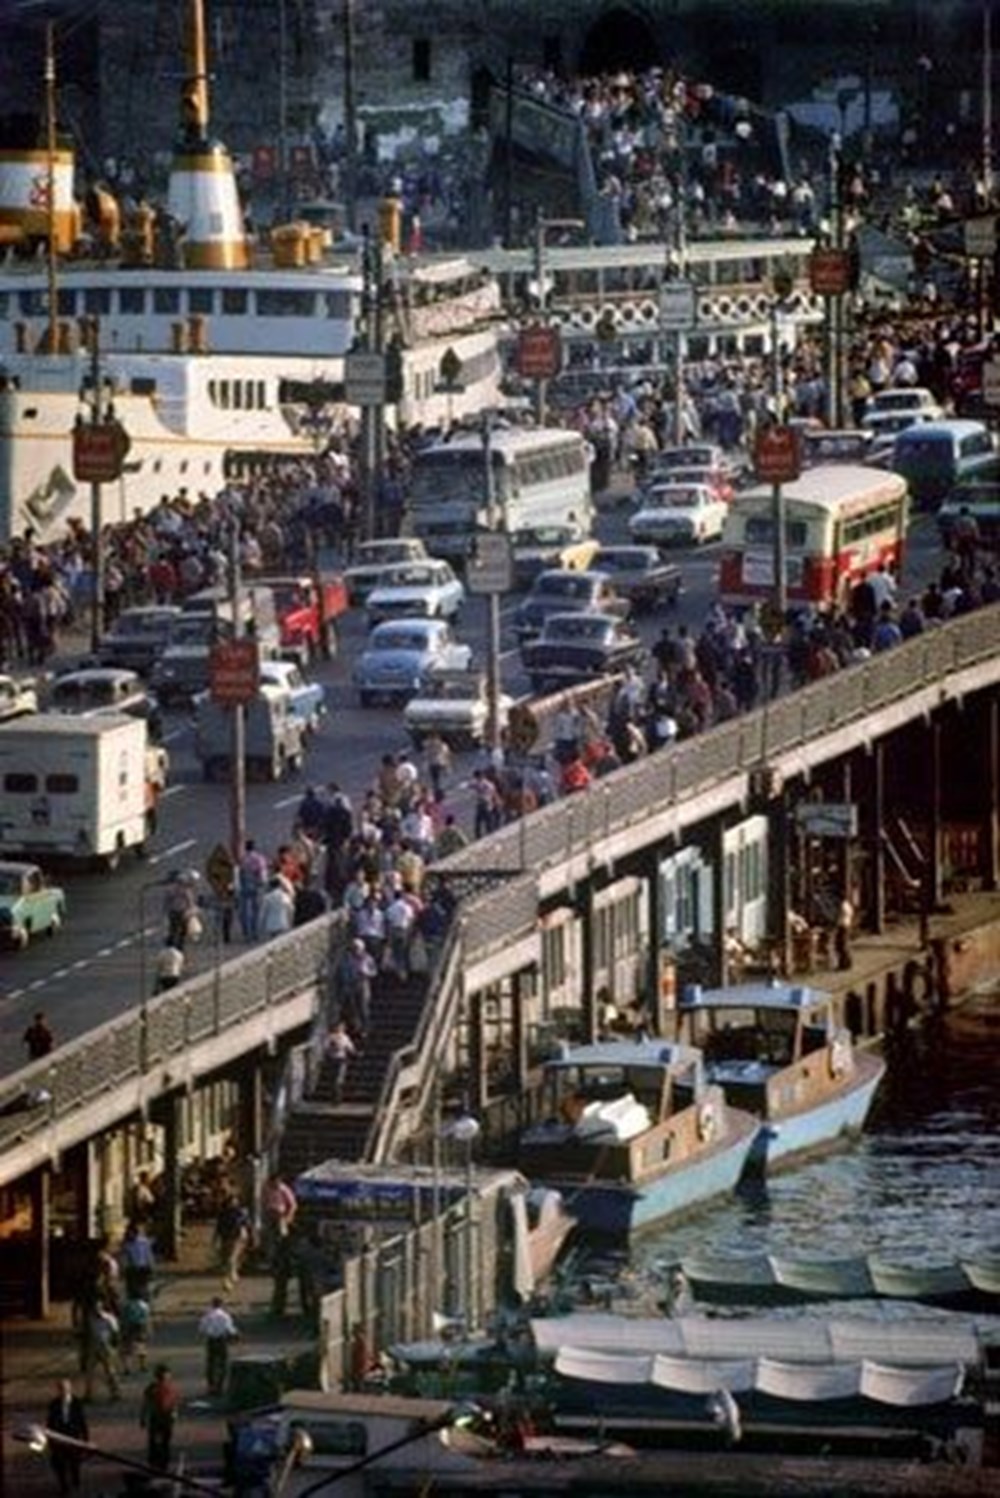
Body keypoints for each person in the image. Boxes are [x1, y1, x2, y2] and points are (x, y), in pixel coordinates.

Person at [46, 1377, 89, 1494]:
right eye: (61, 1389)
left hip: (73, 1438)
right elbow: (49, 1423)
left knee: (74, 1463)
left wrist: (85, 1439)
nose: (64, 1391)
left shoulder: (77, 1403)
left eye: (66, 1388)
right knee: (59, 1464)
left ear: (70, 1389)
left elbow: (82, 1422)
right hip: (59, 1439)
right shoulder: (54, 1404)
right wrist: (49, 1439)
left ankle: (75, 1481)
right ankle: (64, 1486)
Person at [140, 1364, 179, 1471]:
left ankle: (163, 1464)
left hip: (167, 1418)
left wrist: (175, 1413)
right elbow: (145, 1404)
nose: (164, 1379)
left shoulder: (171, 1388)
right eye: (162, 1377)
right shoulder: (152, 1389)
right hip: (155, 1418)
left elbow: (174, 1402)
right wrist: (143, 1418)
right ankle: (153, 1462)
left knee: (165, 1441)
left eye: (166, 1377)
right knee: (154, 1441)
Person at [197, 1295, 239, 1396]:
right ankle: (220, 1386)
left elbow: (201, 1329)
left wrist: (202, 1336)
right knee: (223, 1364)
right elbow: (230, 1329)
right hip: (221, 1341)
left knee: (211, 1364)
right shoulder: (225, 1316)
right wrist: (236, 1335)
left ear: (212, 1304)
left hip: (211, 1341)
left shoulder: (207, 1315)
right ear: (221, 1304)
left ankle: (211, 1386)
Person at [214, 1191, 252, 1290]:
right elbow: (218, 1226)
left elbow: (246, 1224)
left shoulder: (241, 1212)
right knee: (228, 1259)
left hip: (238, 1237)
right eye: (231, 1201)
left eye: (235, 1201)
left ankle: (228, 1279)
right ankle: (233, 1274)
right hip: (226, 1237)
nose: (233, 1203)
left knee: (231, 1258)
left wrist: (250, 1235)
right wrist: (216, 1238)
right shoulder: (223, 1213)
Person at [326, 1020, 357, 1103]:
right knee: (333, 1079)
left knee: (338, 1080)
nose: (340, 1029)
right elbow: (327, 1047)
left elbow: (350, 1047)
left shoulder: (345, 1037)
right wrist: (333, 1046)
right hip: (332, 1059)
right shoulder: (331, 1037)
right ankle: (334, 1097)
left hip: (341, 1059)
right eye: (339, 1027)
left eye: (342, 1027)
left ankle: (337, 1098)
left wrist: (353, 1052)